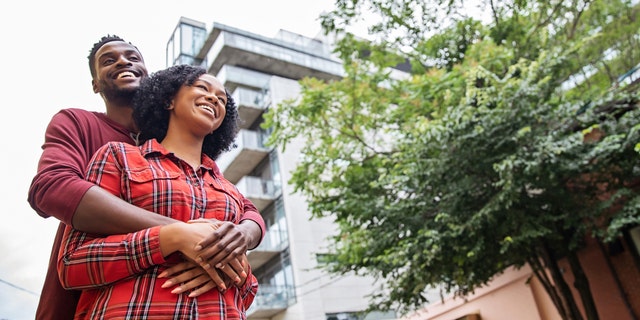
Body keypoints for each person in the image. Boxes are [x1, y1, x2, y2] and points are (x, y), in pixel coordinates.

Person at [28, 35, 265, 319]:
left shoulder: (202, 169)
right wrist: (182, 236)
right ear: (168, 99)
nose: (122, 62)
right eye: (108, 60)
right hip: (85, 302)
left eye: (133, 57)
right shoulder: (99, 139)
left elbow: (248, 216)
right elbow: (52, 187)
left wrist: (234, 245)